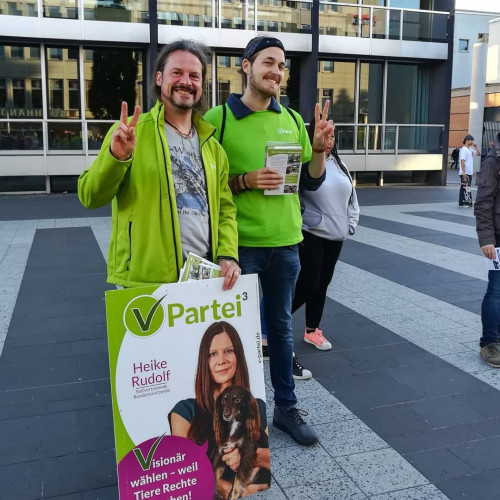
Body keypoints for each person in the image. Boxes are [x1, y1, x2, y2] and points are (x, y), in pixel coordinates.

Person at [204, 35, 334, 446]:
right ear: (246, 66)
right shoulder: (217, 119)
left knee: (279, 330)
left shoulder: (293, 120)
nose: (276, 71)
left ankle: (285, 409)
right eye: (268, 62)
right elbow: (201, 184)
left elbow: (309, 182)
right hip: (238, 248)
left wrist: (318, 151)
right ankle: (229, 418)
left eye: (281, 66)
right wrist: (244, 180)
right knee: (227, 336)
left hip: (286, 243)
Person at [78, 40, 239, 289]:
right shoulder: (132, 133)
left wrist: (227, 255)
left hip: (203, 280)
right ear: (159, 78)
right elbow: (90, 196)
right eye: (177, 72)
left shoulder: (213, 148)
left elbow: (226, 210)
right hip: (145, 282)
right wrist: (116, 158)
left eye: (194, 76)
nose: (186, 81)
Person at [169, 321, 270, 498]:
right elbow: (181, 472)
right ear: (204, 361)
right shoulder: (184, 412)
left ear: (238, 355)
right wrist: (223, 487)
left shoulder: (257, 405)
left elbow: (268, 461)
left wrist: (249, 456)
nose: (222, 360)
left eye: (228, 351)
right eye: (213, 354)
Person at [291, 120, 359, 377]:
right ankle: (274, 325)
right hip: (312, 233)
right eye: (324, 135)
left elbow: (352, 197)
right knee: (308, 283)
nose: (329, 140)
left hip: (336, 235)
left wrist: (350, 224)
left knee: (322, 284)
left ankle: (312, 331)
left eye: (332, 136)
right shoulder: (307, 163)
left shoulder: (340, 164)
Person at [474, 132, 500, 367]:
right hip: (498, 239)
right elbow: (483, 202)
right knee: (496, 289)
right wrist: (487, 239)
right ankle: (489, 343)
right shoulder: (494, 160)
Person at [458, 134, 480, 207]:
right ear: (467, 140)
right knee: (466, 187)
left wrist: (476, 147)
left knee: (464, 187)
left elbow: (478, 154)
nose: (472, 142)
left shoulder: (470, 150)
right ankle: (465, 202)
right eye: (471, 140)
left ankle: (462, 202)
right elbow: (462, 161)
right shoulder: (464, 149)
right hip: (465, 172)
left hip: (468, 172)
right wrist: (464, 172)